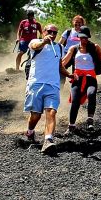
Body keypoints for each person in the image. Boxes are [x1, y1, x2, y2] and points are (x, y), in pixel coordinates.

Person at [22, 24, 73, 153]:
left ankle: (48, 140)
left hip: (53, 85)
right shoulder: (35, 42)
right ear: (44, 32)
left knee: (51, 112)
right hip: (36, 84)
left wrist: (69, 74)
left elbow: (59, 66)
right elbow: (34, 46)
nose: (52, 34)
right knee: (36, 115)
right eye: (49, 31)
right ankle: (30, 132)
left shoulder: (59, 47)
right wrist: (43, 41)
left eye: (55, 32)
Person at [60, 26, 101, 134]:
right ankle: (71, 126)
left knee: (91, 93)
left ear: (88, 38)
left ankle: (90, 120)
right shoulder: (73, 49)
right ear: (78, 38)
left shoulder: (95, 47)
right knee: (75, 101)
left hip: (90, 77)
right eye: (81, 38)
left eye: (85, 38)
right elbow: (63, 63)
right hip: (77, 77)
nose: (83, 40)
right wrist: (53, 65)